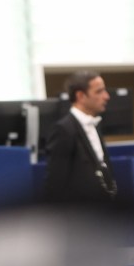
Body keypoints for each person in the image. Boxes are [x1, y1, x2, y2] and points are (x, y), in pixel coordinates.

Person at [43, 70, 116, 202]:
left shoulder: (95, 124)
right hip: (79, 211)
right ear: (81, 96)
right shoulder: (63, 130)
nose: (107, 96)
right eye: (99, 91)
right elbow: (55, 183)